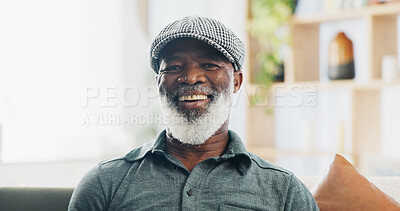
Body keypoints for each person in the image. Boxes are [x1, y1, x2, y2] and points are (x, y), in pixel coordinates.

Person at [68, 16, 319, 211]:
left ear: (236, 82)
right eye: (174, 67)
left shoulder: (284, 190)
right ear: (159, 83)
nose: (190, 77)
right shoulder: (104, 184)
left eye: (209, 65)